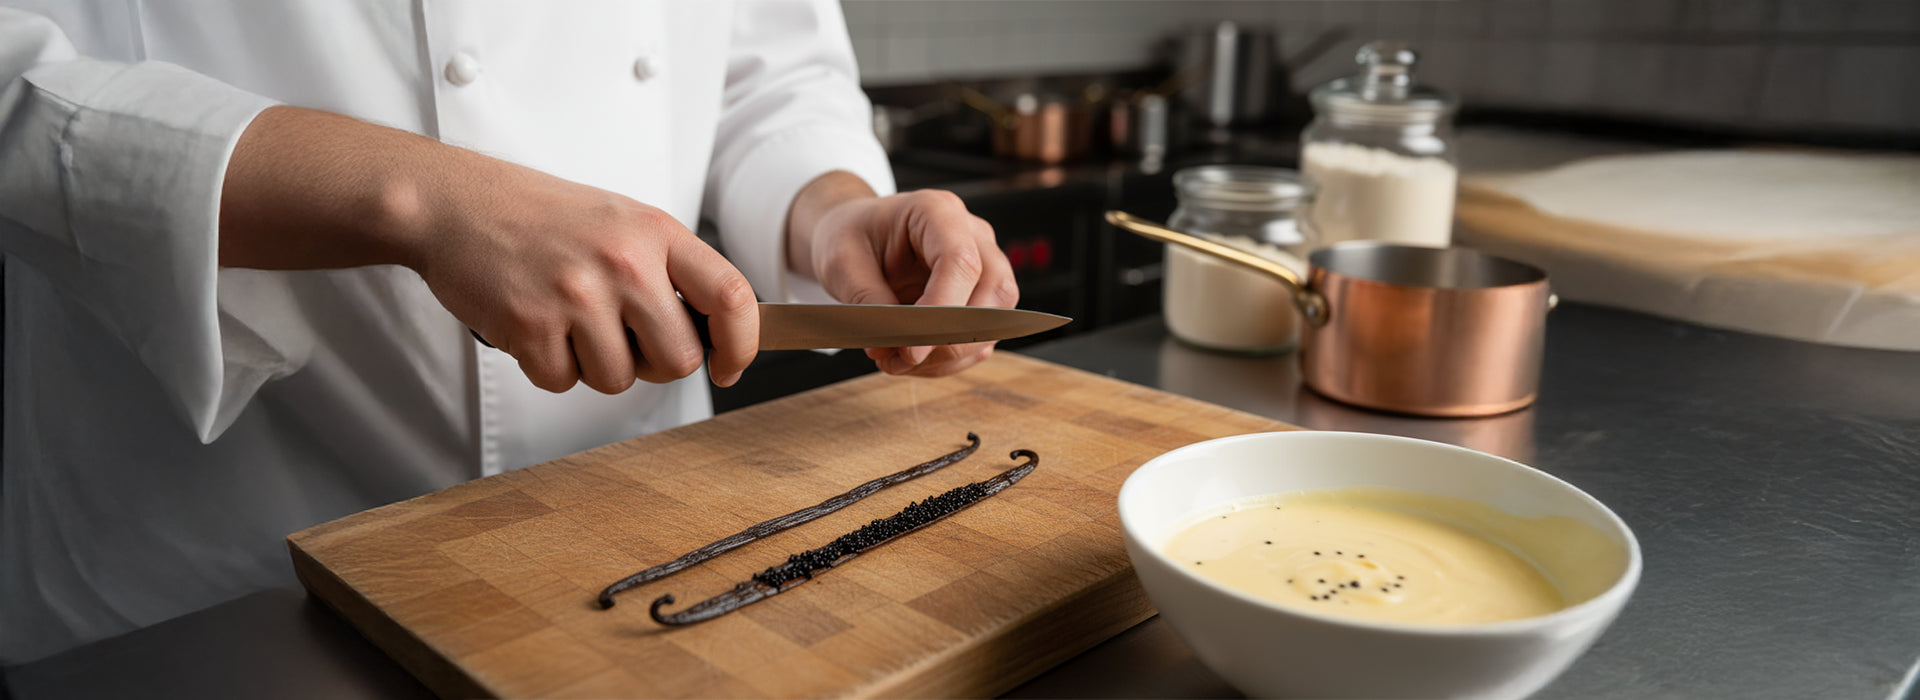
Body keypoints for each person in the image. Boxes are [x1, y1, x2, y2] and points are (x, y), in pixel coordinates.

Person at [0, 1, 1018, 664]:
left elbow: (772, 71)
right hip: (229, 578)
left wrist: (831, 211)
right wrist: (419, 199)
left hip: (653, 532)